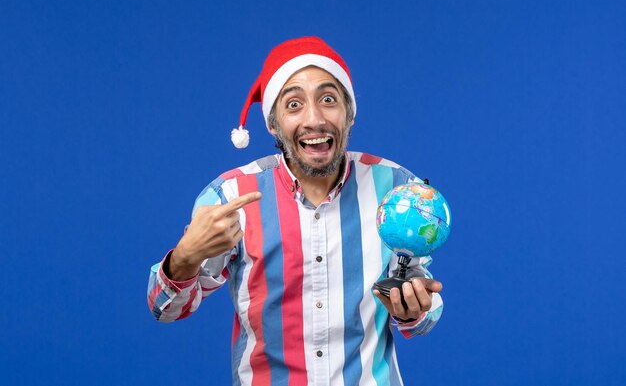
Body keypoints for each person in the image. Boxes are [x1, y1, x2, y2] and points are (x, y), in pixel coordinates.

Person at [147, 37, 443, 386]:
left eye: (328, 99)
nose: (314, 119)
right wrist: (184, 257)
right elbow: (166, 309)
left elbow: (424, 306)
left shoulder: (396, 191)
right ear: (273, 124)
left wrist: (416, 309)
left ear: (349, 113)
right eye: (294, 105)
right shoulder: (230, 197)